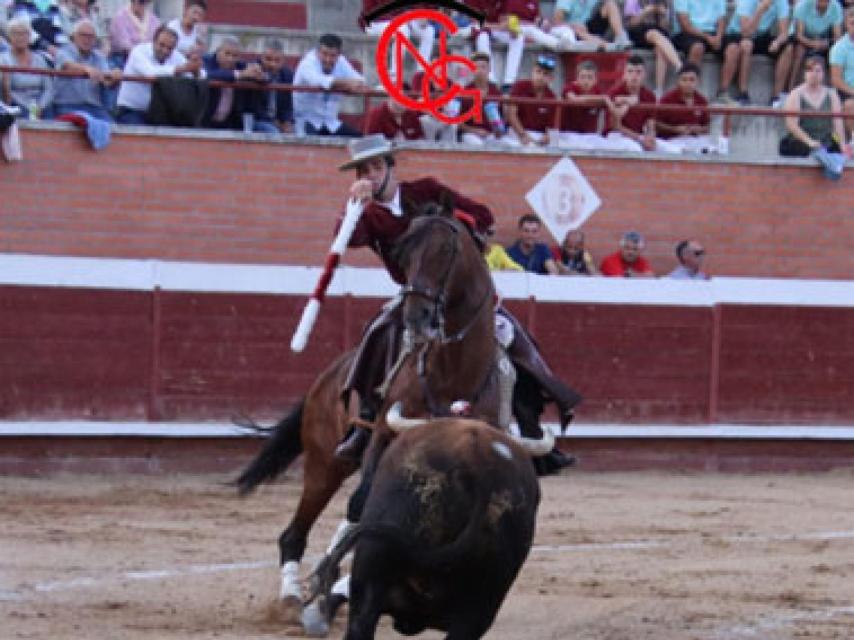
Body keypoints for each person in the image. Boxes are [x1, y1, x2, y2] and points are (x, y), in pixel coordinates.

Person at [332, 134, 579, 461]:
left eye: (377, 166)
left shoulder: (426, 191)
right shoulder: (368, 215)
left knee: (514, 337)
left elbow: (483, 215)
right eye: (364, 171)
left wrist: (460, 225)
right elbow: (344, 239)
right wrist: (353, 207)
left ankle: (531, 427)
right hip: (418, 295)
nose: (372, 175)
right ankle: (364, 423)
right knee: (378, 332)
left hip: (462, 295)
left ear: (391, 168)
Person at [115, 25, 202, 125]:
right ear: (154, 41)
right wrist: (182, 69)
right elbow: (150, 73)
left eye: (169, 48)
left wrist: (196, 70)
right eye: (161, 45)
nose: (165, 51)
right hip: (131, 111)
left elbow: (200, 74)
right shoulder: (139, 51)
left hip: (160, 114)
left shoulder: (176, 56)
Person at [292, 33, 367, 137]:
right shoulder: (307, 62)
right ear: (317, 52)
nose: (328, 59)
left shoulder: (341, 61)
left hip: (331, 123)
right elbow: (317, 81)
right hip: (307, 121)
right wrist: (345, 83)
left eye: (332, 56)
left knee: (360, 140)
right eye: (324, 54)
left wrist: (339, 84)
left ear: (338, 55)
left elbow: (360, 80)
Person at [720, 0, 791, 106]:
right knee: (747, 45)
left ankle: (776, 97)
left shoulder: (781, 2)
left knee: (788, 48)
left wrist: (777, 42)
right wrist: (760, 11)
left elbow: (784, 32)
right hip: (737, 34)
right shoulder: (747, 2)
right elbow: (746, 32)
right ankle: (743, 93)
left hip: (761, 35)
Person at [779, 54, 850, 158]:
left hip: (826, 141)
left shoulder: (832, 95)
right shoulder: (796, 94)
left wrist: (842, 144)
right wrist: (809, 141)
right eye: (810, 70)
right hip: (801, 141)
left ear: (823, 74)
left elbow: (837, 125)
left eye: (817, 71)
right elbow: (792, 125)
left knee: (838, 151)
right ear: (804, 73)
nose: (813, 74)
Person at [52, 19, 120, 122]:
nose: (87, 39)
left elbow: (106, 79)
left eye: (91, 36)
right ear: (74, 36)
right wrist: (86, 69)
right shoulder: (64, 51)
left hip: (94, 107)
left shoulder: (99, 57)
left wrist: (114, 76)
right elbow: (68, 65)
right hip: (68, 105)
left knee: (112, 129)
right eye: (83, 35)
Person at [359, 0, 435, 85]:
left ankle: (421, 75)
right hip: (376, 22)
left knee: (429, 31)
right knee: (402, 30)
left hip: (401, 19)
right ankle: (394, 78)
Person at [605, 54, 665, 152]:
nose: (634, 76)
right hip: (616, 135)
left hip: (638, 135)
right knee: (635, 150)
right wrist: (627, 102)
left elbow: (651, 122)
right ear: (624, 74)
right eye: (630, 71)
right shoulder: (614, 93)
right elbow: (615, 125)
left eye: (638, 72)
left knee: (670, 150)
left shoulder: (649, 96)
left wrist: (650, 137)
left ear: (644, 74)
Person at [623, 0, 682, 97]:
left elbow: (667, 27)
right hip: (638, 31)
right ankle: (679, 65)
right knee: (654, 34)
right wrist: (647, 11)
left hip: (658, 34)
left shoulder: (666, 2)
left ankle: (659, 89)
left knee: (660, 48)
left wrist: (662, 15)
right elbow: (631, 24)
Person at [0, 16, 54, 118]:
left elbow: (48, 88)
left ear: (29, 37)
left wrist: (40, 106)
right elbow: (7, 92)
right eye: (16, 34)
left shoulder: (40, 59)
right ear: (9, 37)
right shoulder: (3, 59)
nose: (20, 37)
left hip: (41, 106)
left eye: (24, 34)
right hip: (17, 105)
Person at [556, 59, 614, 150]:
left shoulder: (598, 92)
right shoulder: (569, 88)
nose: (586, 81)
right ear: (577, 78)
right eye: (582, 77)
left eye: (589, 77)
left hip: (589, 136)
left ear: (595, 80)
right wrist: (602, 98)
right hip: (568, 135)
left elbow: (613, 106)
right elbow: (574, 99)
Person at [656, 62, 714, 153]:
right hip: (672, 141)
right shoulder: (667, 99)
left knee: (712, 150)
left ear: (698, 81)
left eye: (692, 80)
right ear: (678, 81)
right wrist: (674, 129)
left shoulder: (702, 100)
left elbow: (707, 126)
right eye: (684, 80)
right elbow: (656, 123)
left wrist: (699, 129)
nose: (688, 83)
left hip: (694, 139)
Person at [672, 0, 727, 95]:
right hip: (688, 32)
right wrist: (707, 37)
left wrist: (718, 37)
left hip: (713, 32)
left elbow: (722, 19)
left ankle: (723, 92)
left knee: (733, 48)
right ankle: (687, 89)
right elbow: (685, 25)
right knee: (698, 47)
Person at [505, 54, 558, 146]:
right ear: (532, 72)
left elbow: (550, 127)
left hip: (538, 137)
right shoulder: (520, 86)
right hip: (516, 134)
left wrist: (546, 136)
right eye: (538, 72)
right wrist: (522, 135)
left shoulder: (552, 96)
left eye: (545, 74)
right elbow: (511, 114)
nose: (540, 77)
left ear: (551, 79)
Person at [245, 38, 295, 134]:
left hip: (278, 121)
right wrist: (275, 122)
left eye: (277, 60)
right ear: (261, 57)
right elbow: (254, 107)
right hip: (257, 120)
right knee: (273, 132)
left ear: (283, 60)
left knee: (298, 132)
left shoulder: (287, 74)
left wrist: (287, 122)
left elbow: (288, 104)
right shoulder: (253, 71)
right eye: (268, 59)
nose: (272, 64)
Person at [458, 51, 508, 145]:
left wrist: (499, 130)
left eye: (483, 67)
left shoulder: (496, 91)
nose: (480, 70)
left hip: (491, 134)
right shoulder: (465, 91)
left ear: (489, 69)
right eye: (476, 67)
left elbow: (503, 117)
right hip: (470, 135)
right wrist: (474, 130)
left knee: (509, 145)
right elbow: (457, 122)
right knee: (477, 145)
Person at [790, 0, 844, 88]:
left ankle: (833, 90)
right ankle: (791, 88)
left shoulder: (836, 7)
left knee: (836, 52)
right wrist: (813, 44)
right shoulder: (802, 6)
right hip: (805, 39)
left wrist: (827, 43)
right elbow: (799, 35)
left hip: (825, 39)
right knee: (799, 50)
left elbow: (837, 36)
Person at [552, 0, 632, 50]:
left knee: (610, 3)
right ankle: (607, 46)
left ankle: (622, 38)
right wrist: (573, 26)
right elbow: (557, 22)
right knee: (579, 31)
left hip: (589, 26)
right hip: (572, 31)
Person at [109, 0, 161, 69]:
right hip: (123, 62)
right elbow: (125, 47)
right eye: (140, 1)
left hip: (150, 61)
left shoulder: (154, 20)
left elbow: (158, 42)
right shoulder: (119, 18)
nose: (144, 3)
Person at [830, 6, 854, 143]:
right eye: (852, 23)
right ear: (846, 24)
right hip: (848, 92)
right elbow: (836, 80)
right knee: (850, 105)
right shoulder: (839, 48)